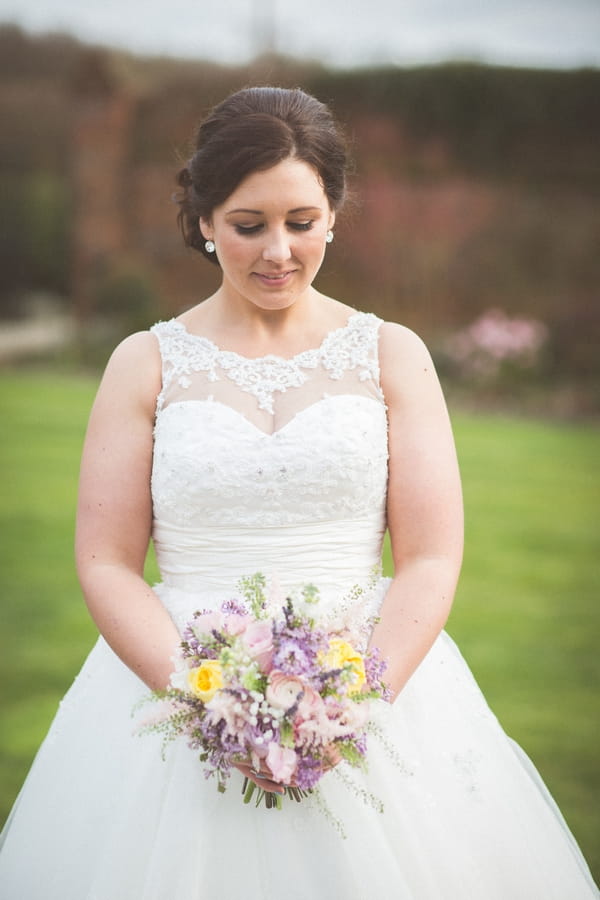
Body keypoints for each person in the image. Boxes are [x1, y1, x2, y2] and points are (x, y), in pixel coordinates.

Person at [0, 86, 597, 899]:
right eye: (249, 225)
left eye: (302, 222)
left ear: (333, 214)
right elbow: (105, 561)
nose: (278, 250)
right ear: (205, 221)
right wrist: (209, 703)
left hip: (369, 689)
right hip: (177, 688)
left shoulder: (393, 355)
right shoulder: (145, 362)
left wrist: (346, 708)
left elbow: (430, 557)